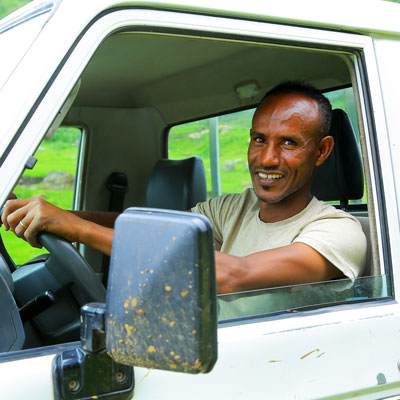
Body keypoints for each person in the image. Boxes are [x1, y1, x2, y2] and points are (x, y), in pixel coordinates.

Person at [1, 81, 366, 296]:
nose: (267, 158)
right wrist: (55, 215)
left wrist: (77, 229)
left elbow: (234, 275)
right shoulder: (234, 209)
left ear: (321, 151)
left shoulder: (338, 231)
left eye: (288, 143)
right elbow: (146, 225)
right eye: (259, 139)